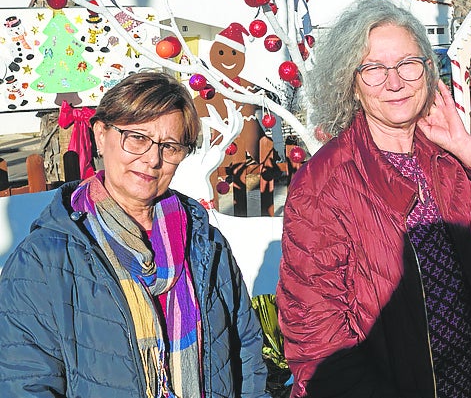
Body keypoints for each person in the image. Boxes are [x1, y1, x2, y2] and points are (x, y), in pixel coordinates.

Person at [277, 0, 471, 398]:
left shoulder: (446, 157)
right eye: (374, 68)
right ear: (350, 83)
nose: (395, 81)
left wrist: (465, 145)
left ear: (427, 71)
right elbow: (316, 335)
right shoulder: (326, 182)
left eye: (408, 64)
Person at [0, 71, 270, 398]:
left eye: (169, 146)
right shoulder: (43, 260)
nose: (152, 159)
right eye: (137, 138)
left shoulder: (204, 244)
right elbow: (24, 383)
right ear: (101, 135)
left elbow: (245, 353)